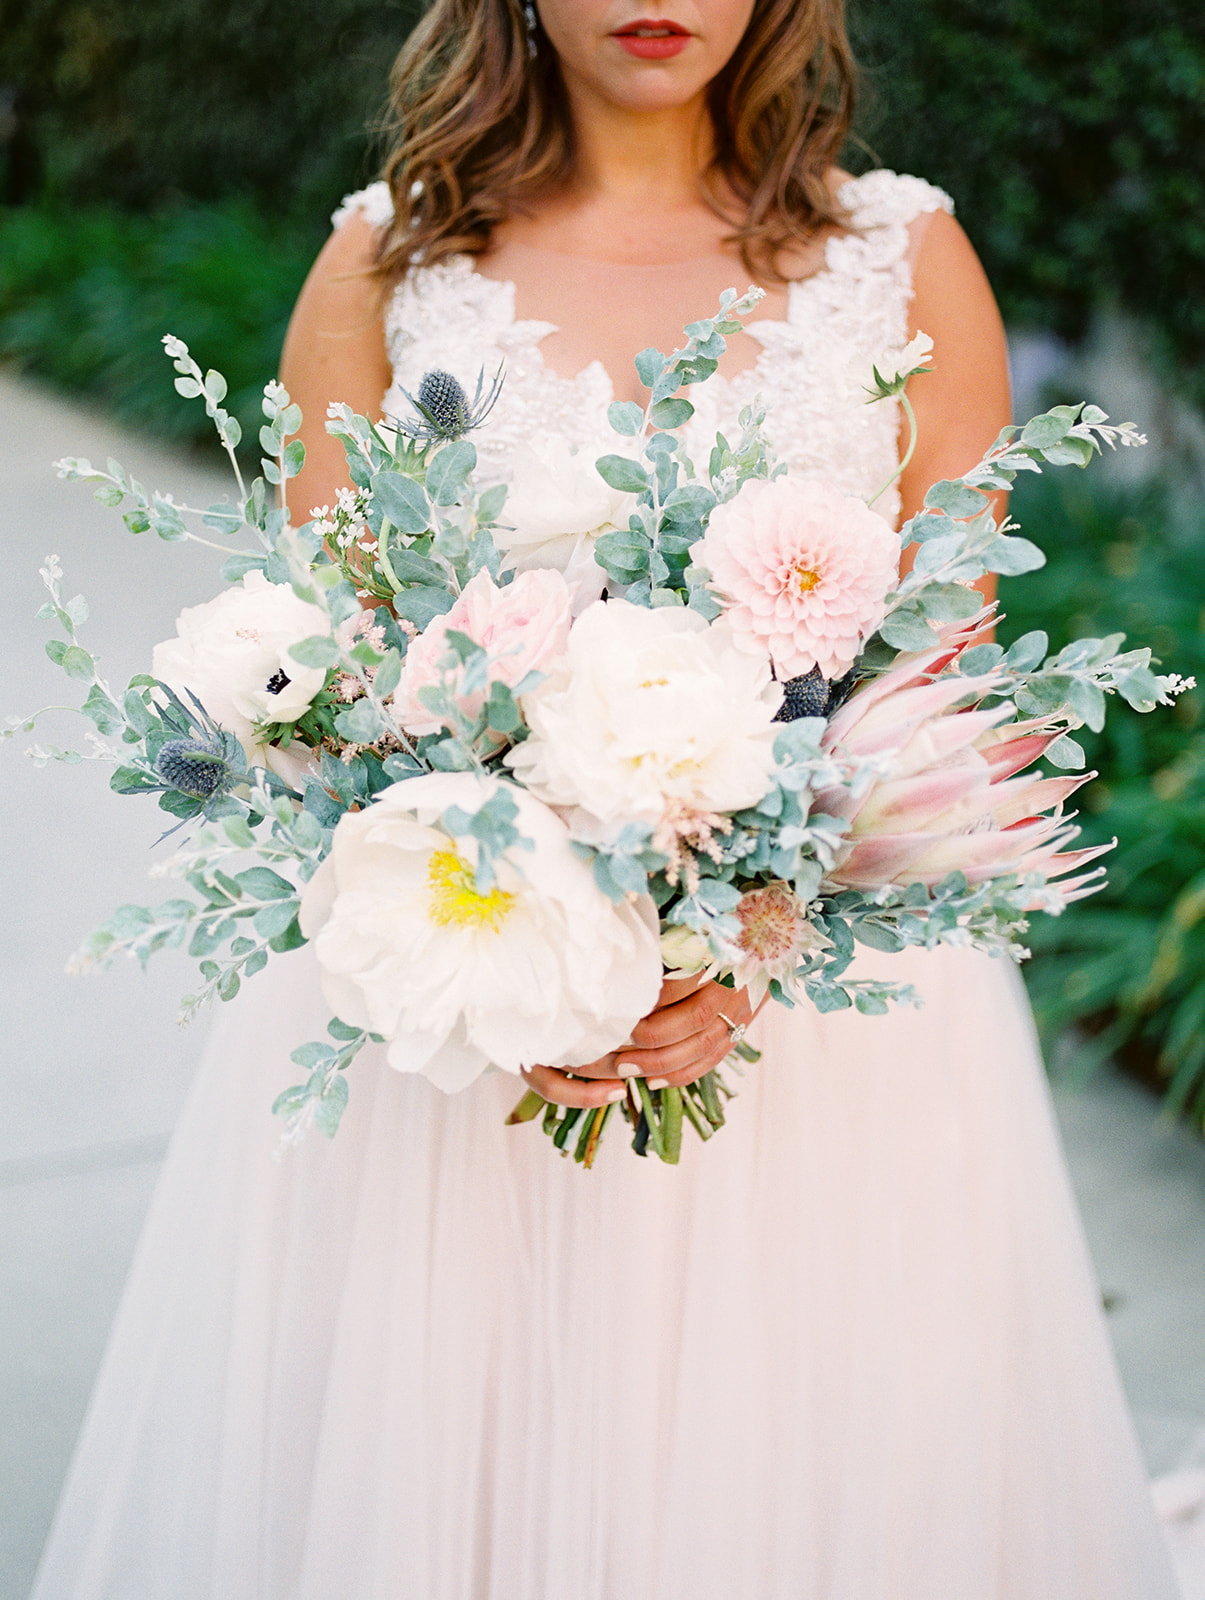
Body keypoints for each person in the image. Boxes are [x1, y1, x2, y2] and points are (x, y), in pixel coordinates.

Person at [32, 3, 1181, 1596]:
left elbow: (942, 678)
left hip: (827, 1047)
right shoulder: (381, 265)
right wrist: (525, 952)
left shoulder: (903, 255)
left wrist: (742, 944)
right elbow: (328, 669)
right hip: (460, 1020)